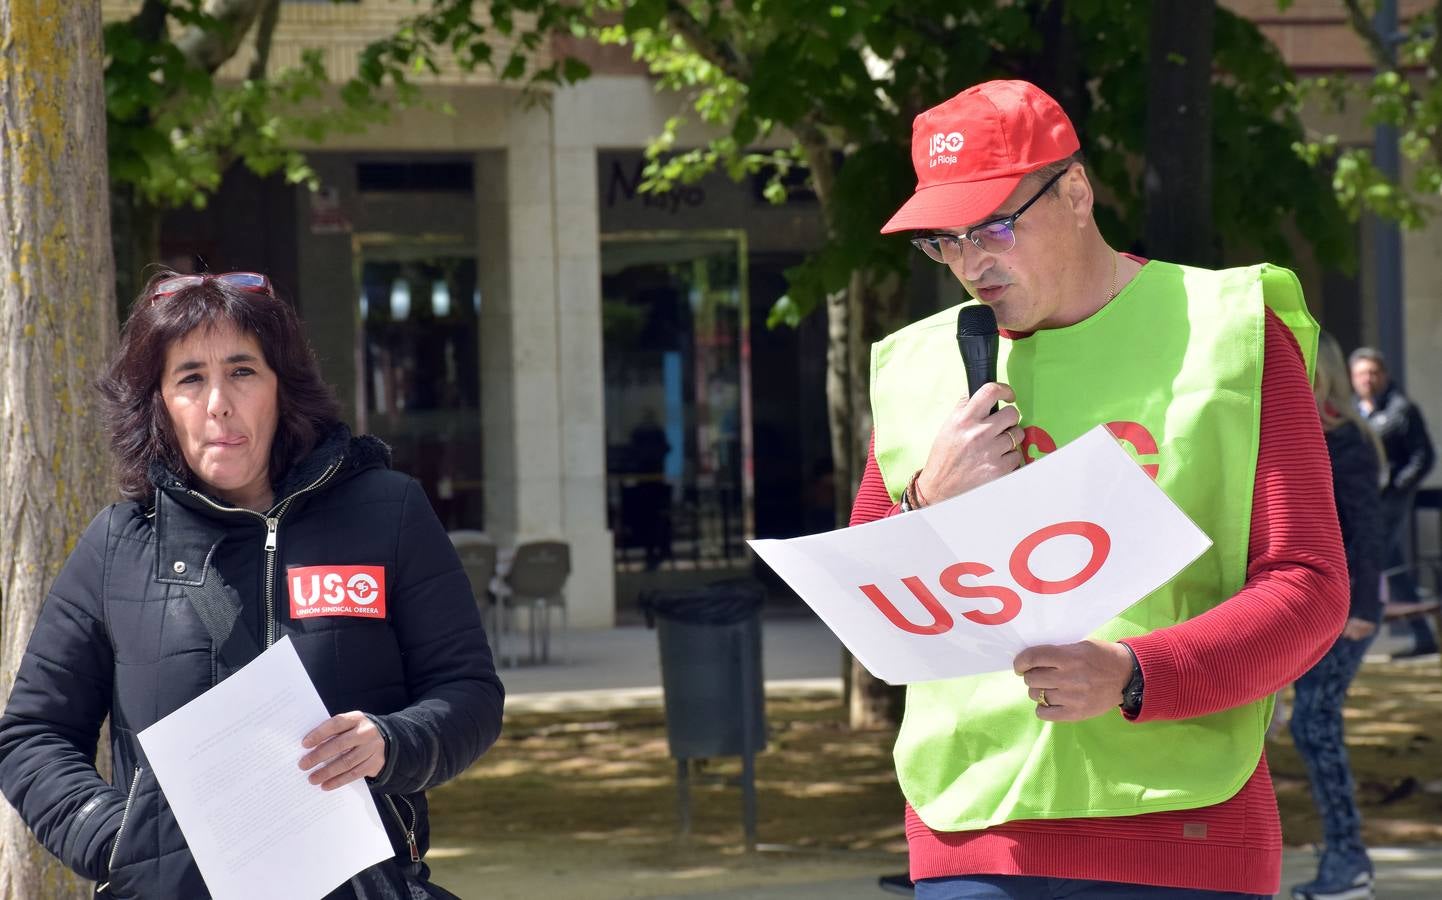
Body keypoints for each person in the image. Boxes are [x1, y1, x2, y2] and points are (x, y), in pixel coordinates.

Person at [854, 80, 1349, 898]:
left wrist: (1134, 673)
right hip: (971, 836)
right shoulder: (916, 365)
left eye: (996, 227)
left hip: (1185, 830)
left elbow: (1310, 586)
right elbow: (870, 619)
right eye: (944, 240)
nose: (972, 262)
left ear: (1077, 191)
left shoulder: (1229, 331)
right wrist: (923, 504)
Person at [0, 271, 504, 898]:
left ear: (281, 390)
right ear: (159, 402)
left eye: (242, 371)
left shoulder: (387, 513)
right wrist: (116, 838)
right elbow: (32, 736)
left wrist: (393, 742)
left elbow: (470, 693)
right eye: (190, 378)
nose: (218, 402)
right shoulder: (117, 546)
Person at [1288, 332, 1387, 899]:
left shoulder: (1345, 440)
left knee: (1315, 724)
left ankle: (1348, 860)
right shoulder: (1311, 434)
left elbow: (1367, 532)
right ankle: (1346, 858)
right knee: (1306, 724)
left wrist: (1361, 608)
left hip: (1344, 611)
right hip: (1318, 608)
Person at [1349, 345, 1437, 656]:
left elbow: (1423, 457)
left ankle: (1359, 627)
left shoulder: (1402, 410)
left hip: (1388, 502)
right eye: (1361, 373)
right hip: (1362, 502)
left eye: (1373, 372)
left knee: (1371, 560)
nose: (1367, 379)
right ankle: (1422, 633)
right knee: (1389, 562)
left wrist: (1398, 488)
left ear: (1383, 375)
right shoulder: (1351, 413)